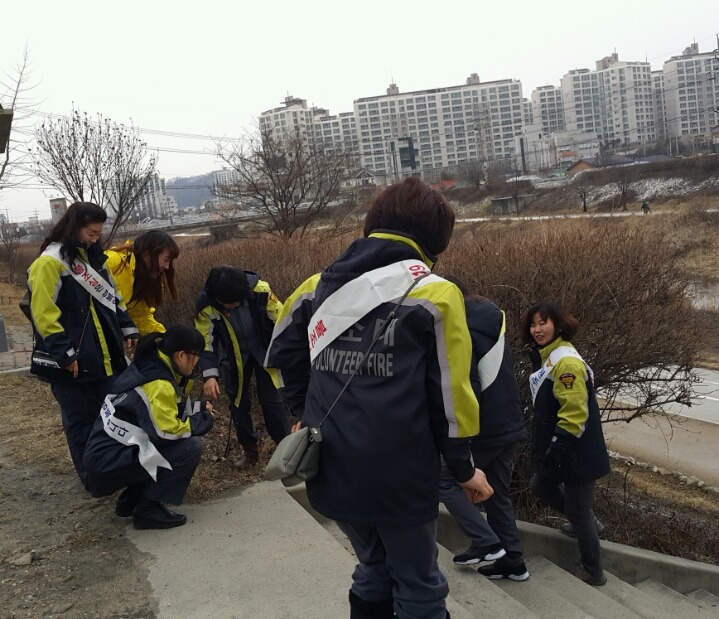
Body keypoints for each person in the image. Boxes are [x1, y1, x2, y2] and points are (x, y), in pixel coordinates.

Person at [265, 176, 493, 619]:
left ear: (374, 223)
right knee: (419, 584)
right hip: (400, 470)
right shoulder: (435, 294)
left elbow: (279, 355)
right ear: (436, 240)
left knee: (372, 568)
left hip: (330, 462)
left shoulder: (315, 287)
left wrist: (301, 411)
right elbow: (452, 399)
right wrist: (464, 469)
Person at [27, 202, 139, 490]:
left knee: (113, 416)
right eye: (91, 233)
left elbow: (113, 296)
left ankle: (115, 474)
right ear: (74, 227)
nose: (95, 239)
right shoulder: (49, 264)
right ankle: (93, 480)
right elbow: (44, 315)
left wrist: (127, 326)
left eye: (98, 233)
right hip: (72, 361)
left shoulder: (94, 259)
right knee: (80, 423)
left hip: (105, 355)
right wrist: (64, 354)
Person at [438, 277, 529, 582]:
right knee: (496, 493)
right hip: (508, 424)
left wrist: (459, 433)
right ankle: (513, 562)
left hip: (484, 426)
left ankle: (485, 541)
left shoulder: (459, 325)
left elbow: (466, 386)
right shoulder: (490, 319)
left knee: (445, 477)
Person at [83, 325, 214, 530]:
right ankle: (148, 509)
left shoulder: (148, 365)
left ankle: (132, 499)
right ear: (180, 355)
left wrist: (198, 408)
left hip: (103, 458)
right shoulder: (159, 383)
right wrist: (203, 421)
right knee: (190, 447)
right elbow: (165, 433)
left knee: (160, 445)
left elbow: (159, 412)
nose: (197, 362)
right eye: (196, 356)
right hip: (109, 463)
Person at [520, 300, 610, 586]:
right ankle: (588, 522)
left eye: (543, 323)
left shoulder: (565, 362)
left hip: (576, 450)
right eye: (533, 324)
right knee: (540, 485)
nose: (537, 329)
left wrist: (557, 447)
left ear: (558, 325)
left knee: (578, 510)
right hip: (564, 448)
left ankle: (592, 570)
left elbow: (574, 414)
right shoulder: (549, 356)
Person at [195, 265, 289, 466]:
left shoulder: (261, 291)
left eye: (237, 302)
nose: (233, 307)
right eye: (228, 304)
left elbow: (283, 321)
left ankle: (288, 449)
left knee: (271, 401)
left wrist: (288, 353)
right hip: (233, 357)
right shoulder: (206, 306)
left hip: (265, 352)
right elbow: (205, 343)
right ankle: (250, 451)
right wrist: (209, 375)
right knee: (238, 403)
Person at [105, 231, 180, 336]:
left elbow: (141, 318)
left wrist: (165, 339)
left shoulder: (149, 279)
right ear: (146, 255)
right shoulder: (114, 261)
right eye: (165, 260)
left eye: (170, 261)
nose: (167, 266)